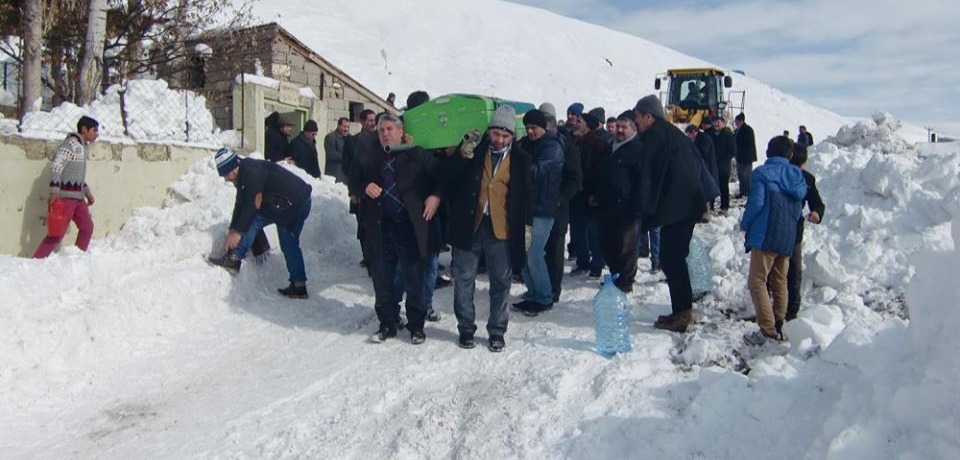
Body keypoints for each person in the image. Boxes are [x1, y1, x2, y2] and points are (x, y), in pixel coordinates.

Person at [443, 106, 531, 352]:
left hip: (502, 230)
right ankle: (466, 329)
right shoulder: (473, 150)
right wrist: (461, 155)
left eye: (505, 136)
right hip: (469, 226)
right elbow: (448, 177)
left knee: (501, 282)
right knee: (463, 279)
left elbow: (526, 197)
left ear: (512, 136)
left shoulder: (521, 160)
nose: (499, 140)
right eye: (495, 134)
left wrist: (527, 226)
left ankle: (497, 331)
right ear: (489, 131)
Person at [349, 113, 442, 344]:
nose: (385, 134)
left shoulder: (416, 154)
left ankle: (416, 326)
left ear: (401, 132)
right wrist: (363, 186)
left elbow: (442, 176)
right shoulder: (370, 156)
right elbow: (353, 180)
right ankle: (387, 323)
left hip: (408, 226)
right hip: (379, 227)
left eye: (390, 129)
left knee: (414, 279)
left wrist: (435, 197)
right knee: (382, 279)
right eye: (381, 130)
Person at [633, 95, 707, 333]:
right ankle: (682, 311)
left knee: (671, 259)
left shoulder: (656, 135)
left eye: (637, 117)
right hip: (686, 206)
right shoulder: (671, 133)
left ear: (648, 116)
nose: (635, 121)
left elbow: (650, 177)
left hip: (679, 209)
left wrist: (642, 210)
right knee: (674, 258)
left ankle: (682, 314)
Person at [208, 148, 313, 299]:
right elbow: (241, 203)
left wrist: (237, 233)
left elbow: (252, 205)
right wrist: (233, 228)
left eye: (225, 174)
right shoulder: (243, 172)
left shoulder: (251, 172)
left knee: (288, 242)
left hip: (296, 203)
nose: (225, 179)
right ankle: (235, 258)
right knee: (254, 221)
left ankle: (299, 286)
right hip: (280, 201)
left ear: (233, 167)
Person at [740, 136, 807, 345]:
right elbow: (798, 210)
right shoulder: (797, 175)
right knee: (780, 281)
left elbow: (757, 203)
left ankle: (767, 329)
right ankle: (779, 321)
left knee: (757, 281)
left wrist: (746, 223)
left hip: (765, 233)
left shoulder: (762, 173)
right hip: (787, 235)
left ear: (769, 151)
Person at [513, 109, 564, 315]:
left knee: (534, 253)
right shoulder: (528, 144)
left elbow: (536, 171)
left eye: (534, 127)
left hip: (543, 209)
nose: (531, 131)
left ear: (543, 127)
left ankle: (544, 296)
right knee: (523, 251)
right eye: (528, 128)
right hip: (526, 207)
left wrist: (517, 155)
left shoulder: (553, 147)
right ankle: (533, 292)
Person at [33, 116, 99, 258]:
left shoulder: (81, 147)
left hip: (78, 199)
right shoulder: (70, 145)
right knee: (57, 233)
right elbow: (56, 167)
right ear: (84, 129)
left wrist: (87, 192)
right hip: (66, 199)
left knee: (87, 228)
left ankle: (76, 258)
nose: (97, 133)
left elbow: (76, 175)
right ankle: (36, 261)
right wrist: (54, 192)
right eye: (94, 130)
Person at [594, 110, 643, 292]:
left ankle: (625, 282)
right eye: (618, 126)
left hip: (627, 208)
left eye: (624, 127)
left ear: (633, 128)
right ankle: (616, 275)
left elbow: (642, 180)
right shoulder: (610, 146)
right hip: (607, 205)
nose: (620, 130)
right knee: (607, 245)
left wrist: (637, 206)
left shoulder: (638, 149)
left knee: (626, 247)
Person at [538, 102, 582, 304]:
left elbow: (575, 179)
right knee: (538, 249)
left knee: (555, 250)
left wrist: (560, 199)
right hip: (537, 207)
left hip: (557, 208)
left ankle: (553, 289)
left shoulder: (565, 144)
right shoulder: (533, 144)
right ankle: (541, 287)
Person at [781, 143, 825, 321]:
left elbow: (817, 203)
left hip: (786, 230)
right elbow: (818, 203)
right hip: (793, 231)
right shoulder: (804, 177)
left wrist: (816, 212)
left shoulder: (804, 178)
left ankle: (783, 309)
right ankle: (790, 311)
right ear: (804, 161)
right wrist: (816, 212)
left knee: (783, 272)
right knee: (793, 272)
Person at [571, 110, 607, 277]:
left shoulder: (599, 145)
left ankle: (597, 264)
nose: (576, 123)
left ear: (588, 126)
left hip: (591, 196)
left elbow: (601, 172)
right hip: (576, 195)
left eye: (580, 121)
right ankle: (582, 261)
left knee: (593, 233)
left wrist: (597, 193)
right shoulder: (575, 142)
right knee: (578, 232)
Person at [345, 109, 378, 271]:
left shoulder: (380, 138)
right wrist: (354, 190)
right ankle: (367, 256)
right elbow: (347, 166)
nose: (373, 123)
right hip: (359, 190)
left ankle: (374, 257)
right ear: (362, 121)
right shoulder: (352, 141)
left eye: (374, 120)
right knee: (362, 223)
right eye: (370, 120)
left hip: (376, 190)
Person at [709, 116, 737, 213]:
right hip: (712, 166)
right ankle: (710, 207)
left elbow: (733, 150)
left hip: (723, 166)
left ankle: (724, 207)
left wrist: (724, 158)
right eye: (715, 122)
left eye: (719, 122)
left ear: (723, 123)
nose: (716, 124)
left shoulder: (728, 135)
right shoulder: (710, 134)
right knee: (710, 186)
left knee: (723, 187)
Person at [734, 113, 758, 199]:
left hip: (746, 157)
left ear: (741, 121)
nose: (735, 123)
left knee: (746, 175)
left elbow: (750, 144)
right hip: (739, 157)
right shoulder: (737, 131)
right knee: (740, 175)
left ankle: (747, 191)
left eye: (736, 121)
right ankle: (742, 191)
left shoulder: (748, 130)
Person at [323, 117, 350, 182]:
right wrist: (348, 156)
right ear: (338, 126)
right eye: (344, 127)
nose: (346, 129)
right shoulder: (330, 137)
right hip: (335, 175)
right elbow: (331, 155)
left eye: (348, 127)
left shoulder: (350, 138)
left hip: (347, 176)